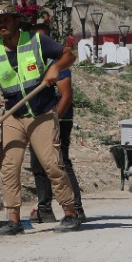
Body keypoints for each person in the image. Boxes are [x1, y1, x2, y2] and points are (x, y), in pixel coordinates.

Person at [0, 1, 81, 235]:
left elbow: (70, 55)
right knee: (9, 167)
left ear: (17, 21)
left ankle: (70, 213)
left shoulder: (37, 41)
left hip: (42, 113)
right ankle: (14, 221)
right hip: (13, 116)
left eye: (6, 20)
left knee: (51, 164)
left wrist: (56, 67)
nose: (1, 24)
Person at [27, 18, 86, 226]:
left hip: (58, 118)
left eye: (43, 37)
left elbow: (66, 96)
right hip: (40, 118)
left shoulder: (56, 63)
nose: (41, 41)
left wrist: (52, 122)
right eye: (37, 37)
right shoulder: (34, 62)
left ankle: (76, 209)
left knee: (60, 161)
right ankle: (44, 209)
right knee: (37, 162)